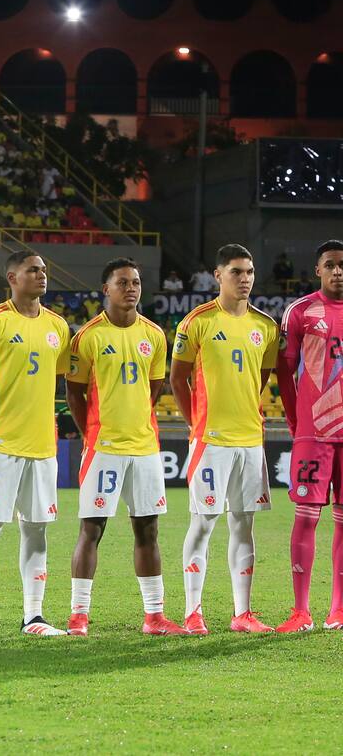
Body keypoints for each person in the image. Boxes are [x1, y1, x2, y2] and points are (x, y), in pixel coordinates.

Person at [65, 258, 186, 636]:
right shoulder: (88, 336)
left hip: (145, 448)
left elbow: (154, 388)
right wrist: (93, 431)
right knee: (92, 529)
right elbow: (73, 391)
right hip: (104, 447)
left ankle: (154, 617)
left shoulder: (154, 335)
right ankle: (78, 615)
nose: (131, 288)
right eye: (122, 282)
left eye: (135, 282)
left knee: (147, 530)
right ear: (106, 289)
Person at [0, 250, 71, 637]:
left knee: (36, 531)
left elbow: (57, 382)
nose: (41, 275)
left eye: (43, 269)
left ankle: (34, 616)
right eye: (32, 270)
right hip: (1, 445)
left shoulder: (59, 326)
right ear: (12, 277)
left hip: (42, 446)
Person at [171, 243, 279, 634]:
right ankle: (192, 611)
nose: (245, 279)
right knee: (203, 523)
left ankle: (242, 613)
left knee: (243, 525)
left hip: (250, 440)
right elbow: (177, 378)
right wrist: (196, 422)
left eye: (250, 272)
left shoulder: (266, 326)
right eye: (237, 272)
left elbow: (261, 379)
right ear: (218, 275)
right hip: (210, 440)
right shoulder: (196, 321)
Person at [274, 239, 343, 633]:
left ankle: (338, 609)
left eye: (342, 265)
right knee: (306, 519)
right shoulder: (300, 311)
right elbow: (285, 371)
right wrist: (295, 421)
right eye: (330, 265)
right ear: (318, 270)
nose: (338, 271)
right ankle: (301, 611)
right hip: (314, 432)